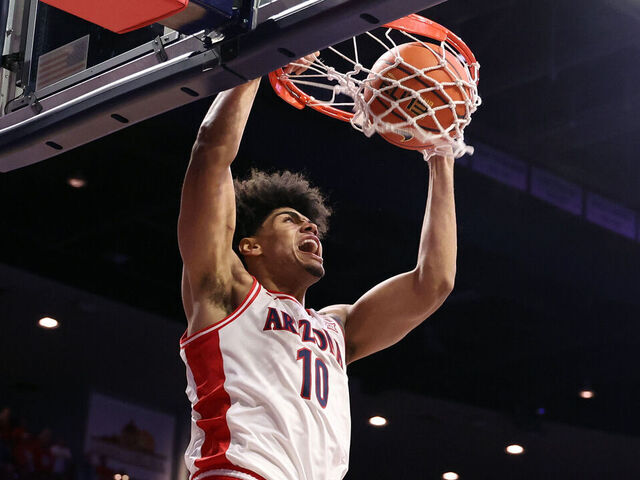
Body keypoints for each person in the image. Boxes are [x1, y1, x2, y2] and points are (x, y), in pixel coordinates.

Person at [178, 54, 457, 480]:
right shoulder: (225, 289)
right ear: (249, 246)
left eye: (309, 221)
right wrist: (261, 58)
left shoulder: (336, 328)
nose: (309, 224)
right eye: (289, 219)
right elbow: (210, 154)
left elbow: (433, 283)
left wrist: (440, 156)